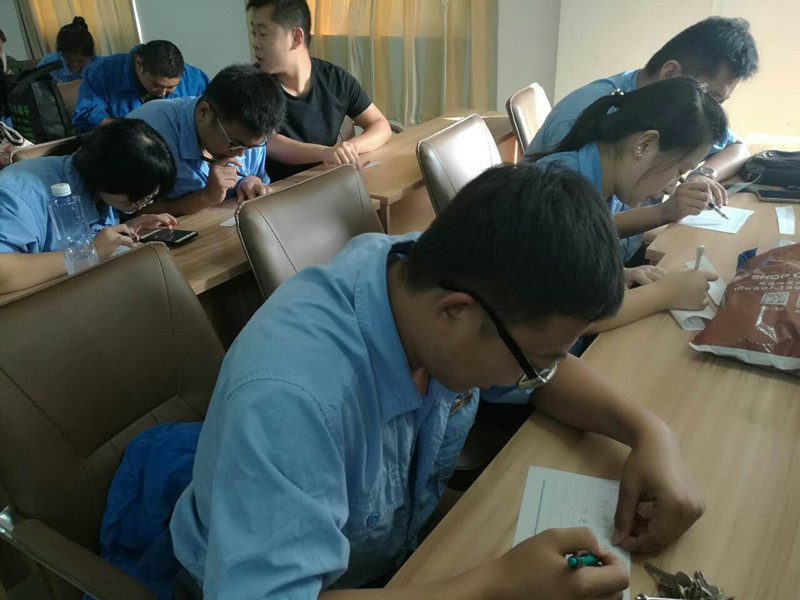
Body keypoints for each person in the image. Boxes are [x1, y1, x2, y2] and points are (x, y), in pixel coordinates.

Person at [169, 164, 704, 599]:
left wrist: (649, 434)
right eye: (533, 361)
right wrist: (494, 588)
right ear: (455, 313)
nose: (535, 377)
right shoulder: (293, 399)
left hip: (398, 559)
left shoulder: (432, 274)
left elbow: (545, 371)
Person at [527, 17, 758, 258]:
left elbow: (736, 148)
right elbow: (569, 243)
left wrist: (701, 174)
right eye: (710, 97)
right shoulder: (564, 179)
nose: (671, 187)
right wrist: (662, 214)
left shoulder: (652, 122)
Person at [529, 78, 725, 333]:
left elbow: (578, 243)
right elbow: (567, 318)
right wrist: (664, 294)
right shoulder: (557, 190)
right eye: (679, 170)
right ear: (644, 144)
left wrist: (617, 273)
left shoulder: (596, 170)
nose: (670, 188)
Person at [0, 119, 178, 294]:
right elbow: (3, 274)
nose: (146, 203)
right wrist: (90, 252)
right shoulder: (19, 193)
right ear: (108, 177)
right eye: (140, 197)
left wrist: (123, 232)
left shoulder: (98, 187)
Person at [248, 0, 392, 181]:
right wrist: (325, 152)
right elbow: (267, 142)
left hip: (326, 182)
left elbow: (380, 124)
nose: (255, 43)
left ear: (296, 37)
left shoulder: (336, 80)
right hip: (280, 191)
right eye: (254, 34)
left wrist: (348, 148)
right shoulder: (251, 85)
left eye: (263, 34)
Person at [126, 64, 285, 216]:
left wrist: (250, 181)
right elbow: (129, 215)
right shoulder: (148, 135)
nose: (241, 154)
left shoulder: (249, 139)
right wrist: (205, 197)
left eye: (251, 147)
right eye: (234, 144)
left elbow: (257, 178)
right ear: (204, 112)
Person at [72, 40, 209, 132]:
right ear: (138, 64)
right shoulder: (103, 71)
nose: (162, 93)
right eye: (156, 84)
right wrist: (134, 128)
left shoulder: (195, 79)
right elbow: (85, 115)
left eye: (171, 87)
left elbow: (213, 116)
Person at [37, 17, 97, 83]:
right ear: (61, 53)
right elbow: (35, 86)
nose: (75, 64)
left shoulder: (99, 66)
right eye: (69, 59)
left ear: (91, 55)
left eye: (81, 60)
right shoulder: (49, 63)